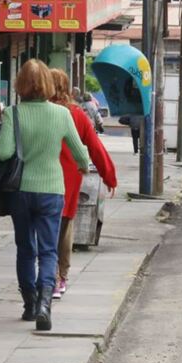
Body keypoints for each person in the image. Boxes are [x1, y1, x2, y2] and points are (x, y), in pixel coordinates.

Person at [0, 59, 89, 331]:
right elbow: (80, 154)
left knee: (26, 249)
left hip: (21, 192)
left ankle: (29, 304)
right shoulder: (62, 115)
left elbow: (2, 152)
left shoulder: (12, 114)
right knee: (48, 251)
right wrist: (82, 166)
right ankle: (45, 305)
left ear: (20, 85)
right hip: (52, 191)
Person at [50, 69, 118, 298]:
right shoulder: (76, 115)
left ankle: (46, 276)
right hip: (68, 178)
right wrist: (109, 177)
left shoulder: (40, 111)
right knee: (65, 227)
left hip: (40, 178)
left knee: (41, 227)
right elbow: (95, 148)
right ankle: (61, 277)